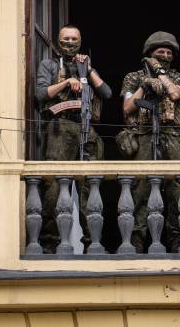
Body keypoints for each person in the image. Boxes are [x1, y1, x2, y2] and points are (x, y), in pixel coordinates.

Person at [35, 24, 112, 253]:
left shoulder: (86, 66)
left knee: (91, 186)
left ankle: (93, 243)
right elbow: (40, 94)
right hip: (60, 126)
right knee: (55, 187)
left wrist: (86, 69)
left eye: (74, 39)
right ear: (59, 42)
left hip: (86, 128)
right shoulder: (49, 65)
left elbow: (106, 93)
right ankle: (50, 243)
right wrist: (67, 82)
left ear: (80, 41)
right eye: (66, 38)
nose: (70, 42)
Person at [118, 31, 180, 253]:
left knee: (176, 190)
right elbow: (127, 107)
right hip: (143, 136)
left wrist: (159, 74)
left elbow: (176, 94)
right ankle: (136, 240)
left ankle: (177, 240)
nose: (166, 55)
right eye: (161, 52)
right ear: (150, 53)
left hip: (172, 137)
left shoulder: (177, 77)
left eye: (170, 52)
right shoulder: (132, 77)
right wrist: (145, 85)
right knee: (140, 189)